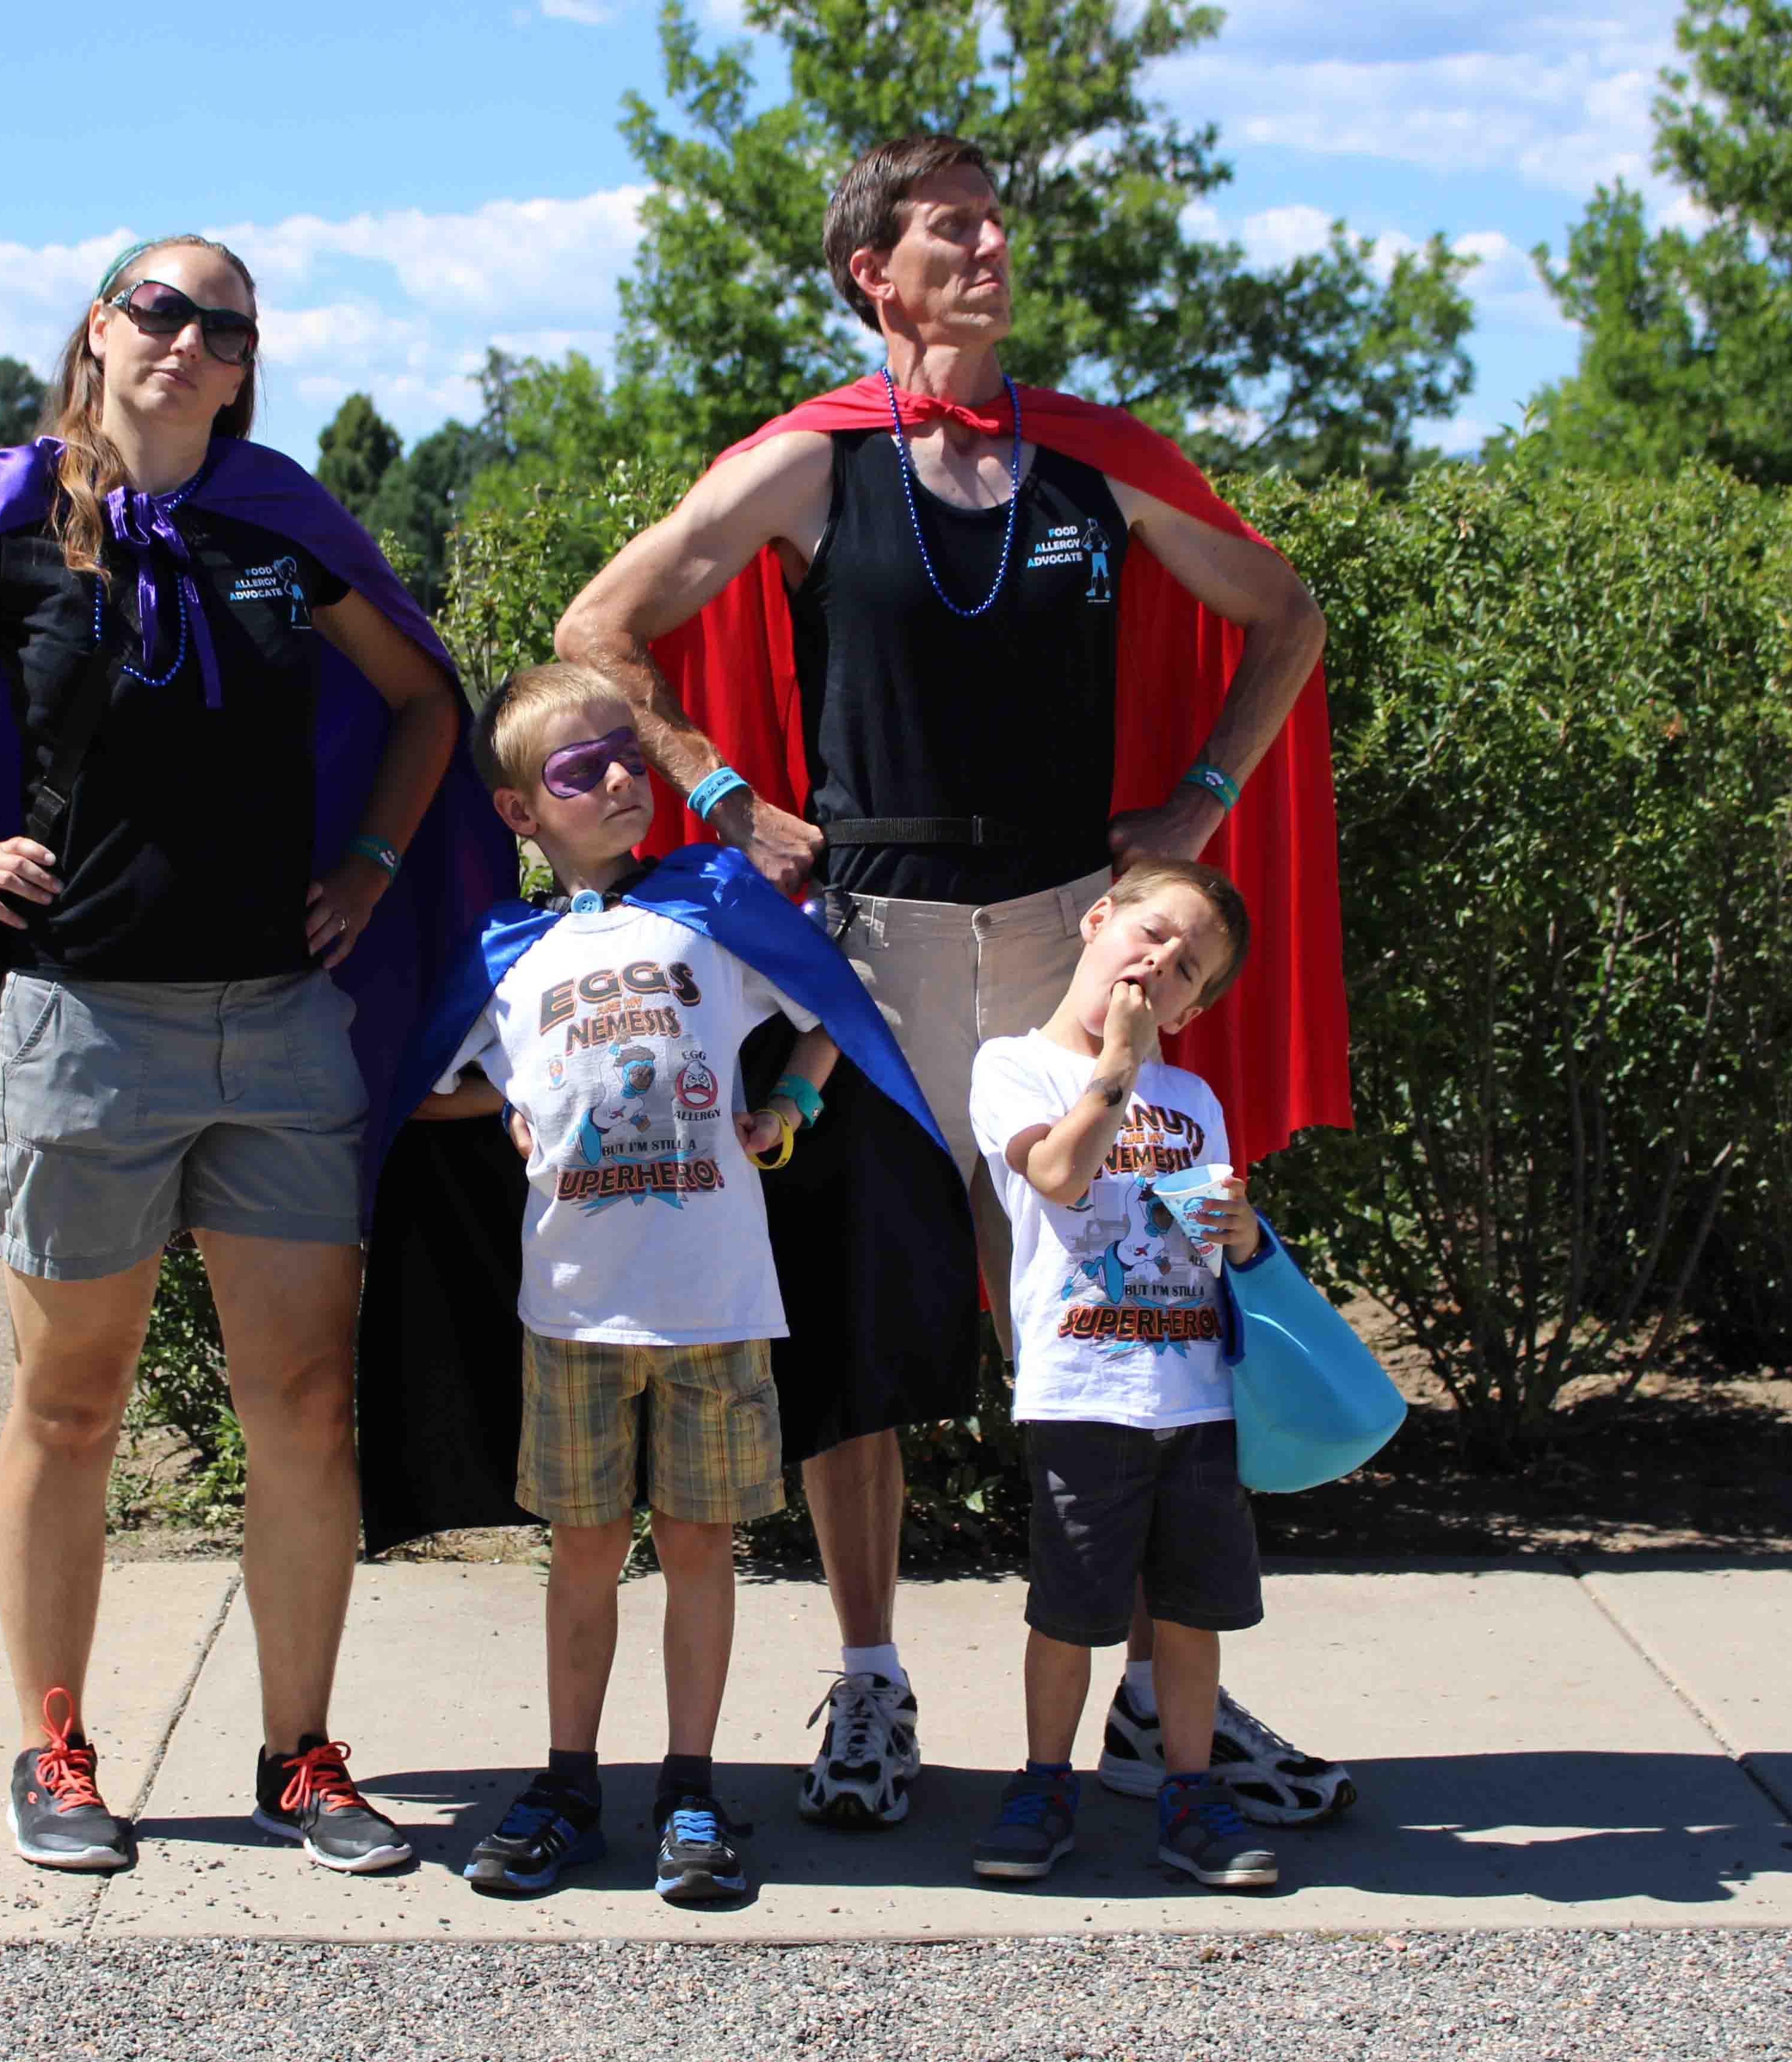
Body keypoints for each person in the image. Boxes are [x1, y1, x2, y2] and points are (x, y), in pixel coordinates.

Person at [556, 133, 1355, 1829]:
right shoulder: (813, 465)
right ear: (874, 274)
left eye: (997, 225)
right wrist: (713, 789)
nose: (990, 251)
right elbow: (599, 630)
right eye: (950, 231)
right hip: (871, 949)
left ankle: (1154, 1699)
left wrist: (1203, 799)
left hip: (1071, 934)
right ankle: (868, 1683)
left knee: (1121, 1318)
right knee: (864, 1332)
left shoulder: (1093, 459)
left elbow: (1285, 617)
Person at [0, 234, 499, 1878]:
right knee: (71, 1401)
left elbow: (424, 702)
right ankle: (57, 1749)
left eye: (221, 325)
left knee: (303, 1406)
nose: (185, 337)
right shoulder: (8, 516)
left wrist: (374, 865)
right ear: (100, 330)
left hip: (279, 1033)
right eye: (156, 308)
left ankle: (301, 1757)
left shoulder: (279, 520)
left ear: (245, 366)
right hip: (80, 1025)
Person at [410, 662, 851, 1903]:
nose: (616, 778)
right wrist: (494, 1109)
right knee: (586, 1551)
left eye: (626, 754)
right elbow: (432, 1081)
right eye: (577, 769)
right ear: (519, 814)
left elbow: (838, 1008)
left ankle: (695, 1788)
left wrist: (795, 1100)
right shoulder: (510, 950)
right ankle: (566, 1782)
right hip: (574, 1303)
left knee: (701, 1548)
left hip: (713, 1298)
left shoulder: (717, 909)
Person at [967, 858, 1278, 1890]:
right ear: (1098, 920)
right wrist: (1117, 1065)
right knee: (1069, 1611)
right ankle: (1044, 1782)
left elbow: (1213, 1236)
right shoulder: (1012, 1066)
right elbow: (1057, 1174)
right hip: (1083, 1393)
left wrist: (1239, 1234)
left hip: (1195, 1395)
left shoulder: (1193, 1094)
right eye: (1151, 934)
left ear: (1192, 1010)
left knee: (1190, 1614)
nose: (1159, 964)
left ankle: (1189, 1793)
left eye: (1188, 969)